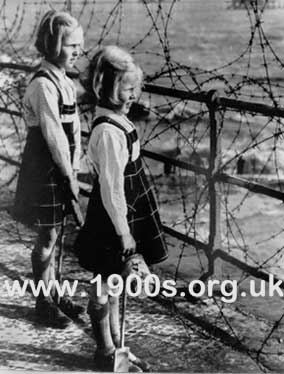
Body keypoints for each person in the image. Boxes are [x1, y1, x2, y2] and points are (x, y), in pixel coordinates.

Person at [75, 45, 168, 371]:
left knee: (114, 280)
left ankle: (116, 346)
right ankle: (105, 349)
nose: (134, 95)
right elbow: (113, 188)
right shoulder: (108, 132)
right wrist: (124, 232)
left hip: (125, 212)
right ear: (108, 89)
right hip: (114, 218)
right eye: (128, 89)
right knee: (104, 280)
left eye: (135, 89)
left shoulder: (118, 121)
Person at [13, 10, 84, 328]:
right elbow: (54, 135)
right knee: (47, 237)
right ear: (54, 46)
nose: (78, 51)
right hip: (45, 168)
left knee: (57, 235)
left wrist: (76, 169)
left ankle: (54, 292)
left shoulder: (65, 82)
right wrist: (68, 177)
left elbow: (75, 131)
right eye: (72, 45)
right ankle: (43, 301)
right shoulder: (43, 85)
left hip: (63, 166)